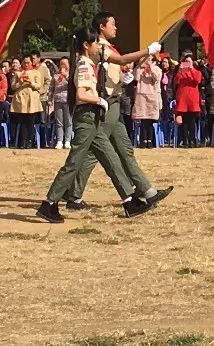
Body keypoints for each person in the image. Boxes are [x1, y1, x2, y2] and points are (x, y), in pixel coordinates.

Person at [37, 26, 154, 222]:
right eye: (95, 44)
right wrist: (99, 100)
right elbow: (82, 94)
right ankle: (49, 203)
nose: (99, 48)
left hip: (93, 118)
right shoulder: (83, 65)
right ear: (86, 45)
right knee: (74, 162)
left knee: (111, 158)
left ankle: (129, 200)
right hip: (87, 118)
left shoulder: (89, 64)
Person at [68, 11, 171, 210]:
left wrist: (125, 77)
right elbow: (123, 60)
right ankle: (74, 194)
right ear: (101, 28)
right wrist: (147, 50)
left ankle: (147, 190)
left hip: (114, 101)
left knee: (125, 150)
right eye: (112, 24)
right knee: (95, 151)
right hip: (106, 103)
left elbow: (119, 68)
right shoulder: (99, 47)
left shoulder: (105, 47)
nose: (116, 28)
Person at [173, 52, 203, 147]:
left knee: (192, 121)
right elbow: (176, 81)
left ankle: (193, 140)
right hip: (182, 98)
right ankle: (185, 141)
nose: (187, 63)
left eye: (189, 61)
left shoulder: (197, 71)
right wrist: (180, 71)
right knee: (184, 122)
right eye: (185, 61)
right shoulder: (180, 71)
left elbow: (197, 81)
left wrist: (191, 70)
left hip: (192, 99)